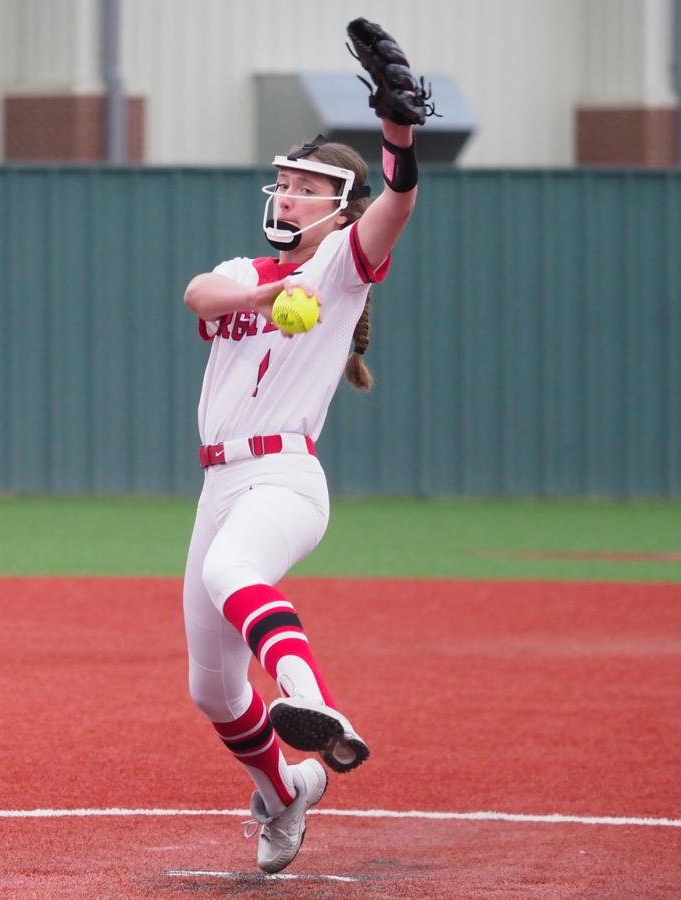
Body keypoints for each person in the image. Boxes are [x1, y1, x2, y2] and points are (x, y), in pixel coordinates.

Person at [179, 18, 431, 875]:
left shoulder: (346, 269)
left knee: (233, 577)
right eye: (282, 185)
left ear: (336, 205)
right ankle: (287, 793)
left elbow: (397, 202)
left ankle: (318, 707)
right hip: (218, 484)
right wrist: (279, 279)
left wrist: (396, 133)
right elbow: (197, 294)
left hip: (284, 475)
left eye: (302, 187)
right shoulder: (253, 273)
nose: (285, 198)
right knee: (210, 689)